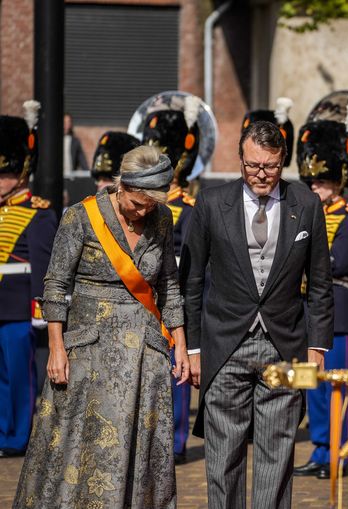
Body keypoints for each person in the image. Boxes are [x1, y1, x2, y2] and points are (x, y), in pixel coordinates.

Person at [14, 145, 190, 508]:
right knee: (80, 445)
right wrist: (57, 349)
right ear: (120, 185)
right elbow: (56, 285)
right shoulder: (80, 217)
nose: (143, 211)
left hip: (145, 354)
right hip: (89, 352)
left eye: (151, 204)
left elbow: (169, 286)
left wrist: (182, 345)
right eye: (138, 202)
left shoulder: (162, 218)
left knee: (140, 447)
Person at [179, 120, 333, 509]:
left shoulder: (307, 204)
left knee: (277, 454)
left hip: (287, 346)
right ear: (240, 160)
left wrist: (318, 347)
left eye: (270, 166)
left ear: (283, 161)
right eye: (252, 166)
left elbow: (319, 284)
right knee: (223, 457)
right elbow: (191, 281)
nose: (261, 175)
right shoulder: (211, 204)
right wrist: (192, 349)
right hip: (223, 345)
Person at [292, 106, 348, 479]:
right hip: (304, 311)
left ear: (338, 180)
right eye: (312, 182)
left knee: (337, 383)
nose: (315, 187)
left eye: (321, 182)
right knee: (314, 388)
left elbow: (338, 264)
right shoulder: (301, 215)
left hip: (336, 311)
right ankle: (321, 450)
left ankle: (339, 451)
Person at [141, 95, 208, 463]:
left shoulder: (190, 208)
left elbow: (194, 264)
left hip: (175, 294)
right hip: (144, 295)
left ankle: (176, 439)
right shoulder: (145, 203)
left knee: (177, 368)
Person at [0, 101, 57, 457]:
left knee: (19, 377)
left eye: (3, 174)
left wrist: (41, 310)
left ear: (20, 172)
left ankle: (16, 436)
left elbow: (43, 264)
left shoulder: (38, 211)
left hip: (19, 308)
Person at [63, 113, 88, 177]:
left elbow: (82, 160)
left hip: (70, 176)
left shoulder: (75, 141)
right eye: (64, 122)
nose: (66, 125)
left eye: (68, 122)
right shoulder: (55, 140)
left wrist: (88, 174)